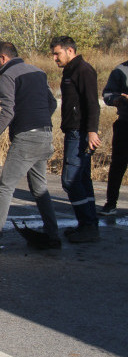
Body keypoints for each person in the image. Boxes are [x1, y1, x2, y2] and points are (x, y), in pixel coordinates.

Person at [0, 42, 59, 252]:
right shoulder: (38, 72)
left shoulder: (9, 76)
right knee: (40, 189)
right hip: (45, 135)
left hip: (26, 140)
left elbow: (8, 112)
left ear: (3, 58)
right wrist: (38, 118)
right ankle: (53, 236)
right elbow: (53, 103)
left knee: (5, 188)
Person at [50, 36, 101, 242]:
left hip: (80, 133)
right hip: (73, 131)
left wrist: (92, 131)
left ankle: (88, 225)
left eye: (57, 53)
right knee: (82, 179)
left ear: (70, 51)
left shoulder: (83, 70)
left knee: (70, 181)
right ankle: (88, 224)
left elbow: (92, 104)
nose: (54, 58)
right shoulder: (70, 71)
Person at [100, 60, 128, 216]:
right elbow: (108, 94)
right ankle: (111, 203)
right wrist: (116, 99)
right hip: (125, 123)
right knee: (118, 165)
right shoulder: (120, 70)